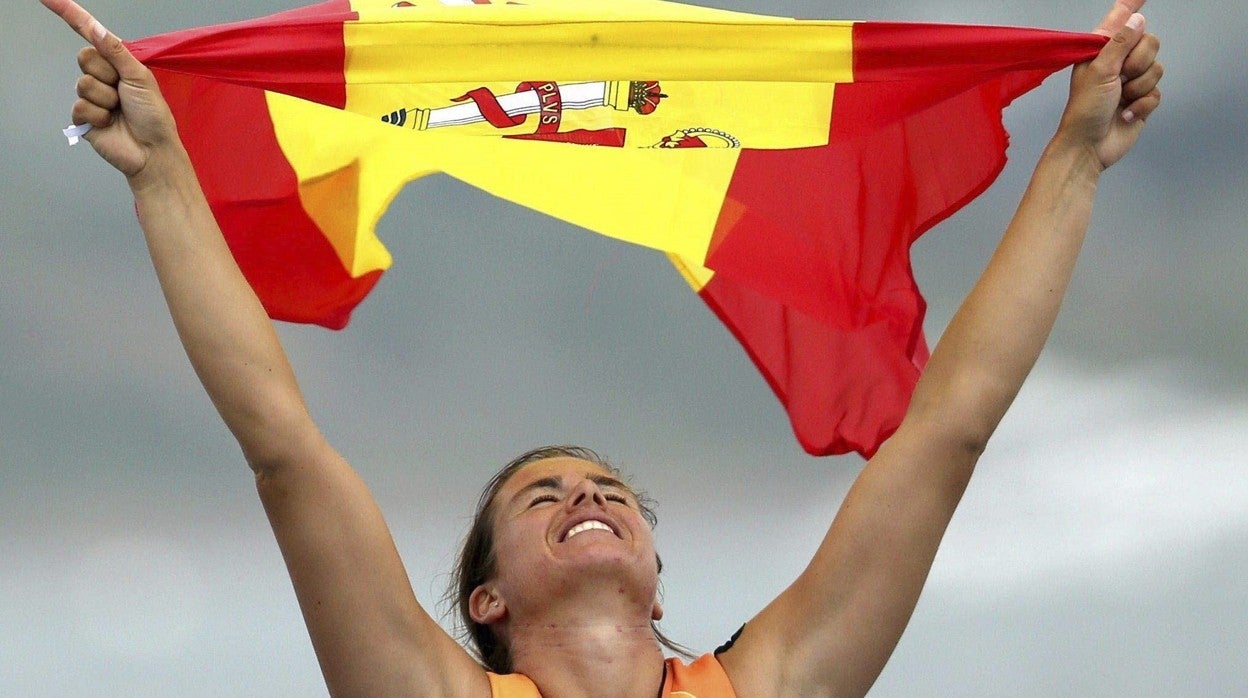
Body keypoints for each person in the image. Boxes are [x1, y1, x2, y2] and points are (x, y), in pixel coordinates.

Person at [42, 0, 1162, 694]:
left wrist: (1075, 158)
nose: (588, 492)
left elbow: (947, 432)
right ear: (486, 601)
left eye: (607, 489)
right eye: (544, 494)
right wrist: (163, 174)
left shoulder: (770, 681)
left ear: (655, 569)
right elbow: (282, 445)